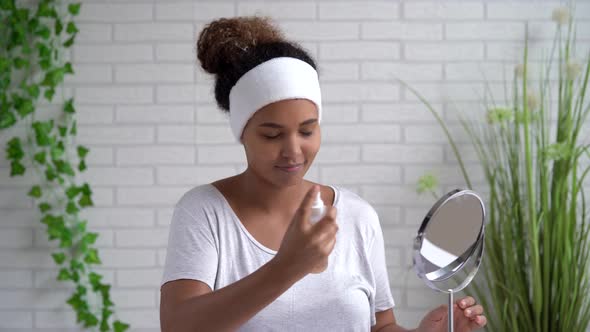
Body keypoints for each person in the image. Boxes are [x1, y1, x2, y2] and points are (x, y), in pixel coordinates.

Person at [159, 16, 487, 332]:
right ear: (242, 132)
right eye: (272, 135)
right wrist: (287, 267)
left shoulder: (357, 217)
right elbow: (178, 326)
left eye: (306, 130)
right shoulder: (205, 213)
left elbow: (381, 326)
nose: (293, 150)